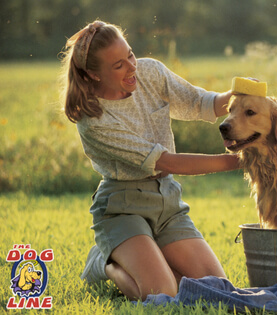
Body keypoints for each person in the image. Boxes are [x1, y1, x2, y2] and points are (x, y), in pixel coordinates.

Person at [60, 20, 239, 301]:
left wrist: (237, 97)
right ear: (94, 74)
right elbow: (167, 162)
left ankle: (147, 254)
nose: (132, 67)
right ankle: (106, 263)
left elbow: (200, 102)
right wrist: (238, 161)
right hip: (123, 207)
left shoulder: (150, 72)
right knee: (163, 293)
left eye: (130, 54)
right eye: (118, 65)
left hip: (166, 202)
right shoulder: (93, 121)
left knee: (215, 288)